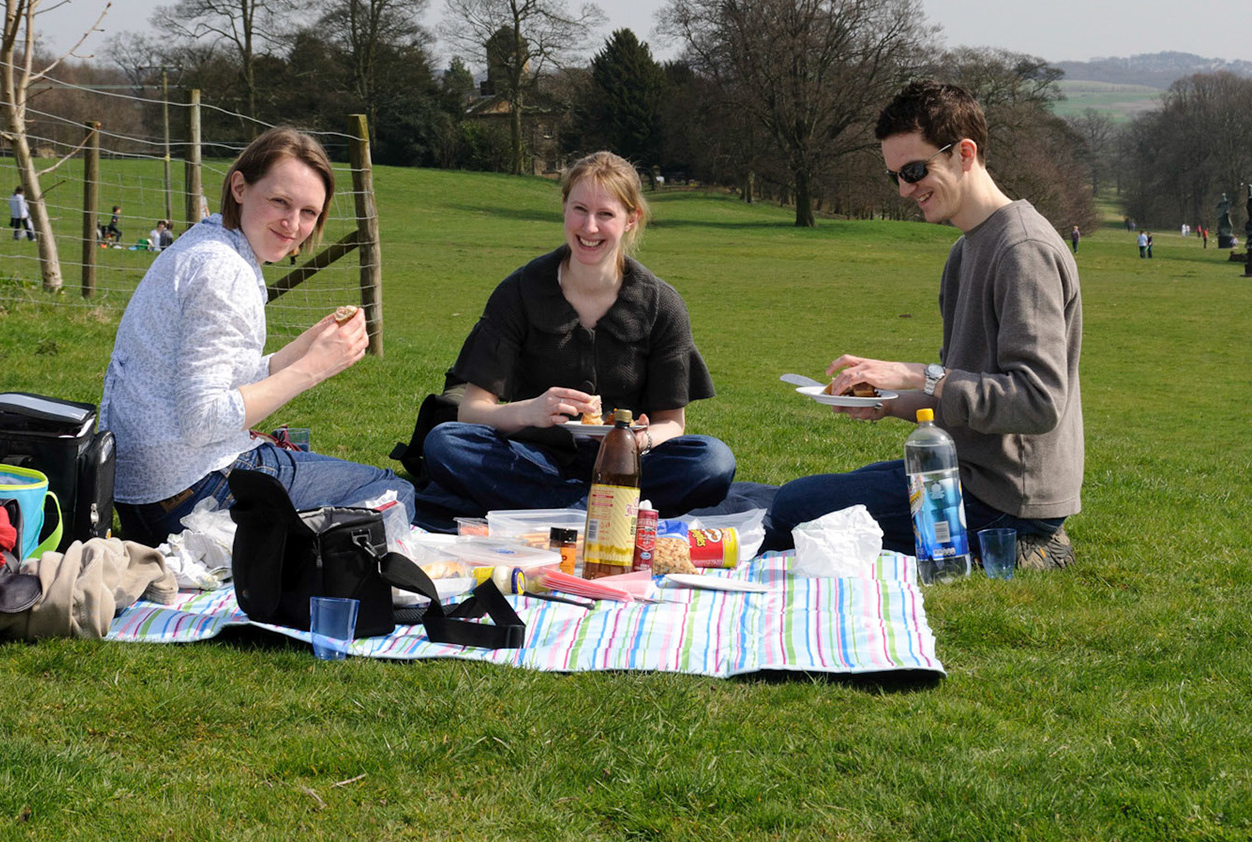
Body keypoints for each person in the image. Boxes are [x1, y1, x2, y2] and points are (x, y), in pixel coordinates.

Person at [765, 81, 1082, 569]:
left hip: (1008, 502)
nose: (904, 189)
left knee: (795, 509)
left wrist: (918, 374)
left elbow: (1038, 402)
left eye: (915, 171)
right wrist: (886, 401)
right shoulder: (965, 249)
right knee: (800, 500)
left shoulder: (1023, 250)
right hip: (959, 473)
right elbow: (960, 394)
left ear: (965, 154)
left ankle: (1028, 550)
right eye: (895, 175)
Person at [103, 127, 409, 546]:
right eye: (280, 202)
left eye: (309, 212)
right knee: (394, 493)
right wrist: (312, 369)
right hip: (191, 497)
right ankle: (288, 560)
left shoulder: (207, 242)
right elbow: (205, 420)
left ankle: (283, 544)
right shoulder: (224, 273)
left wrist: (302, 349)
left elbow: (218, 378)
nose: (293, 224)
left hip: (143, 496)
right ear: (240, 186)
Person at [411, 151, 736, 531]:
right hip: (533, 457)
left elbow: (672, 424)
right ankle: (600, 514)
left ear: (632, 220)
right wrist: (530, 411)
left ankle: (559, 512)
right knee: (446, 443)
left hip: (630, 467)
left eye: (606, 215)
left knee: (713, 460)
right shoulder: (520, 291)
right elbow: (472, 411)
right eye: (580, 209)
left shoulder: (662, 304)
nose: (590, 227)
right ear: (564, 208)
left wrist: (638, 441)